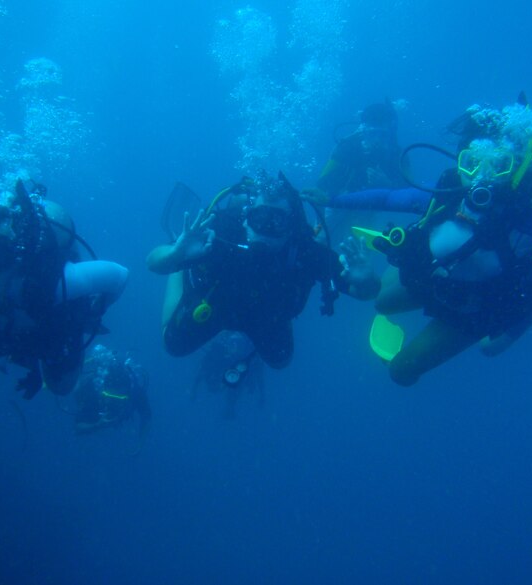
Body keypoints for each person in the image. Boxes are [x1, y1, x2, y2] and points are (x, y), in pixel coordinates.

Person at [334, 102, 532, 386]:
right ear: (460, 162)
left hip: (473, 311)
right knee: (381, 302)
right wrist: (329, 199)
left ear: (517, 168)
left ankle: (406, 354)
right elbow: (388, 198)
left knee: (401, 371)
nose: (482, 176)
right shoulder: (446, 192)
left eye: (499, 165)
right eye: (471, 162)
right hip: (434, 280)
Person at [146, 172, 376, 369]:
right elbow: (153, 262)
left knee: (281, 361)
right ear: (246, 219)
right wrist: (175, 254)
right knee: (172, 345)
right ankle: (180, 269)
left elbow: (365, 291)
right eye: (259, 218)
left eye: (276, 221)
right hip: (217, 305)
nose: (266, 229)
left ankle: (322, 234)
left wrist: (366, 280)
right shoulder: (220, 233)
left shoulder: (305, 251)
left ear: (291, 227)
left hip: (267, 313)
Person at [0, 180, 128, 398]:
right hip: (22, 309)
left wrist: (95, 309)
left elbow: (120, 275)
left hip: (48, 285)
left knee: (62, 385)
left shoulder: (54, 283)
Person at [317, 100, 407, 199]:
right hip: (344, 208)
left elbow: (409, 189)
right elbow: (321, 185)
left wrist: (387, 183)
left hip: (382, 211)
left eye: (382, 135)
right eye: (373, 133)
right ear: (363, 131)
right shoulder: (347, 147)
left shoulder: (398, 154)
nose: (377, 140)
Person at [72, 344, 151, 438]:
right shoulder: (92, 392)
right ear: (103, 391)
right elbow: (78, 427)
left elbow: (146, 415)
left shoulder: (135, 391)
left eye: (120, 399)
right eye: (110, 397)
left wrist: (139, 444)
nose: (115, 402)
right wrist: (98, 425)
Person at [190, 331, 264, 419]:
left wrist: (261, 393)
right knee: (236, 380)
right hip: (241, 353)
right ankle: (230, 407)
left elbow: (255, 373)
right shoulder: (216, 361)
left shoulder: (218, 362)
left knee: (237, 379)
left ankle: (230, 407)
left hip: (244, 354)